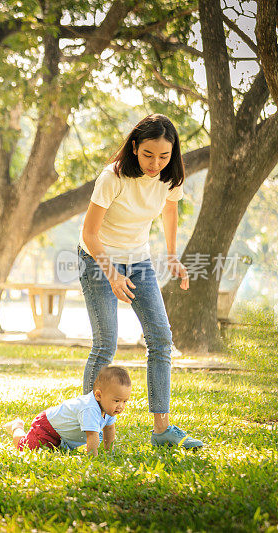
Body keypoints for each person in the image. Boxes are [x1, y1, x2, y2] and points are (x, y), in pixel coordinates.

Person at [78, 114, 202, 449]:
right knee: (106, 343)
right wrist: (111, 273)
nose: (155, 163)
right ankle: (88, 427)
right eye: (148, 155)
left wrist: (173, 255)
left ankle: (162, 430)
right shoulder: (113, 176)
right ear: (135, 148)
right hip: (96, 257)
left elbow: (170, 211)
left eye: (163, 156)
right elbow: (90, 233)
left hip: (138, 259)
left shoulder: (170, 178)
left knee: (161, 338)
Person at [3, 366, 131, 455]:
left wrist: (109, 452)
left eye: (124, 401)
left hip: (61, 435)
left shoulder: (109, 409)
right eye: (117, 401)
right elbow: (92, 436)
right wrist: (94, 459)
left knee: (55, 451)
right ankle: (16, 427)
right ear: (98, 395)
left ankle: (58, 444)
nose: (121, 406)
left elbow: (109, 429)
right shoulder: (90, 408)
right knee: (25, 448)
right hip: (46, 426)